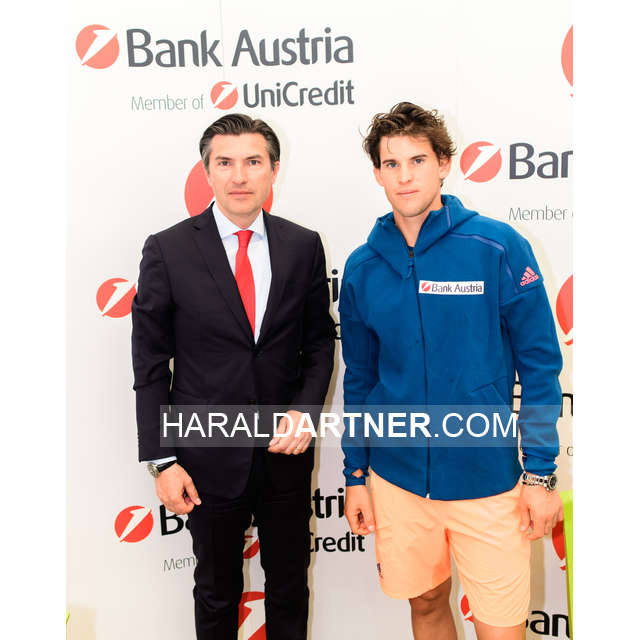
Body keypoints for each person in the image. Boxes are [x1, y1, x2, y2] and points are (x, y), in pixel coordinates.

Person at [340, 102, 564, 640]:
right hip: (396, 480)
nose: (405, 176)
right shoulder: (362, 267)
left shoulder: (497, 246)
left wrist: (540, 474)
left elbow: (539, 366)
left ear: (444, 164)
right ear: (377, 173)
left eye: (418, 161)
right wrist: (355, 476)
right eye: (391, 164)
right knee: (425, 604)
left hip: (488, 479)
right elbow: (360, 379)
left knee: (501, 629)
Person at [131, 113, 335, 639]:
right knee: (216, 593)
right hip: (206, 457)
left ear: (274, 170)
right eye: (224, 163)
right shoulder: (168, 249)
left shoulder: (303, 245)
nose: (239, 176)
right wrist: (161, 460)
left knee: (289, 589)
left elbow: (319, 343)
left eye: (253, 162)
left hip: (285, 454)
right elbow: (150, 364)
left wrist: (305, 412)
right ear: (206, 172)